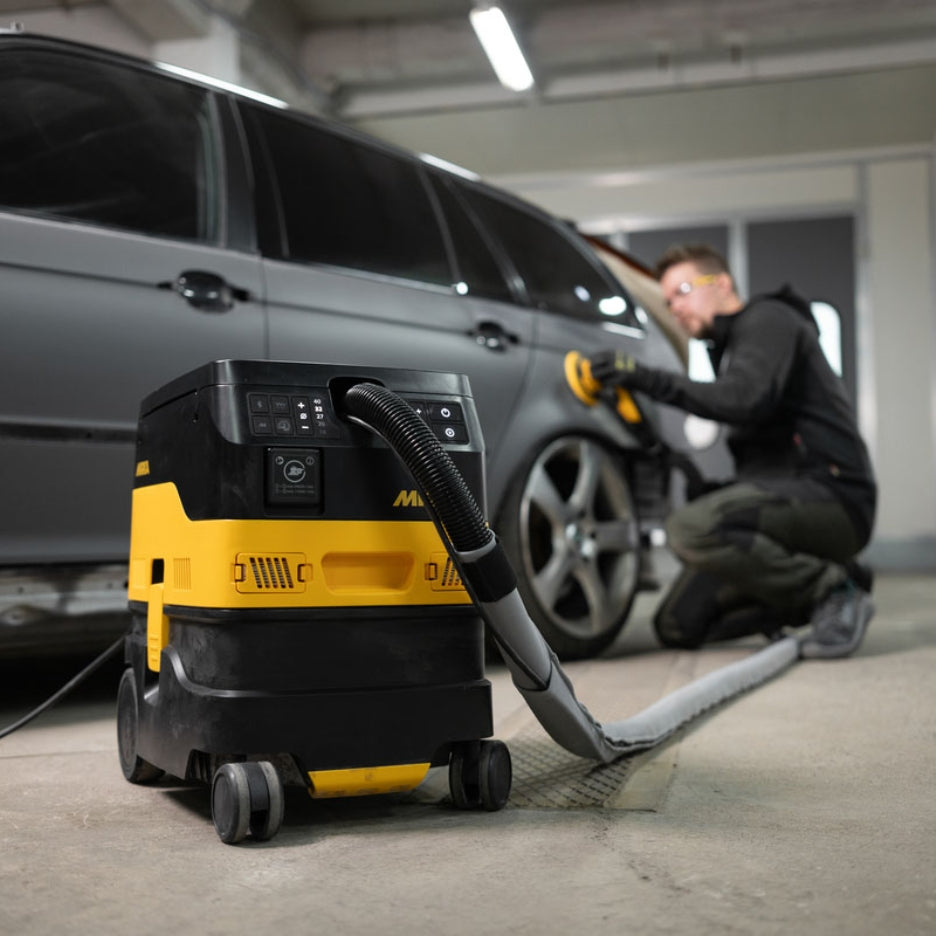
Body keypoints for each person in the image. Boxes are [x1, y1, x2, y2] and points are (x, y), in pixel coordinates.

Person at [589, 243, 877, 658]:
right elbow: (769, 459)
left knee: (690, 528)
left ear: (722, 283)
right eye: (669, 301)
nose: (675, 308)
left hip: (836, 497)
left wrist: (645, 378)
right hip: (792, 499)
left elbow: (743, 398)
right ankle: (823, 589)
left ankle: (834, 589)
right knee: (676, 624)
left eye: (683, 290)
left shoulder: (769, 319)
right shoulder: (734, 350)